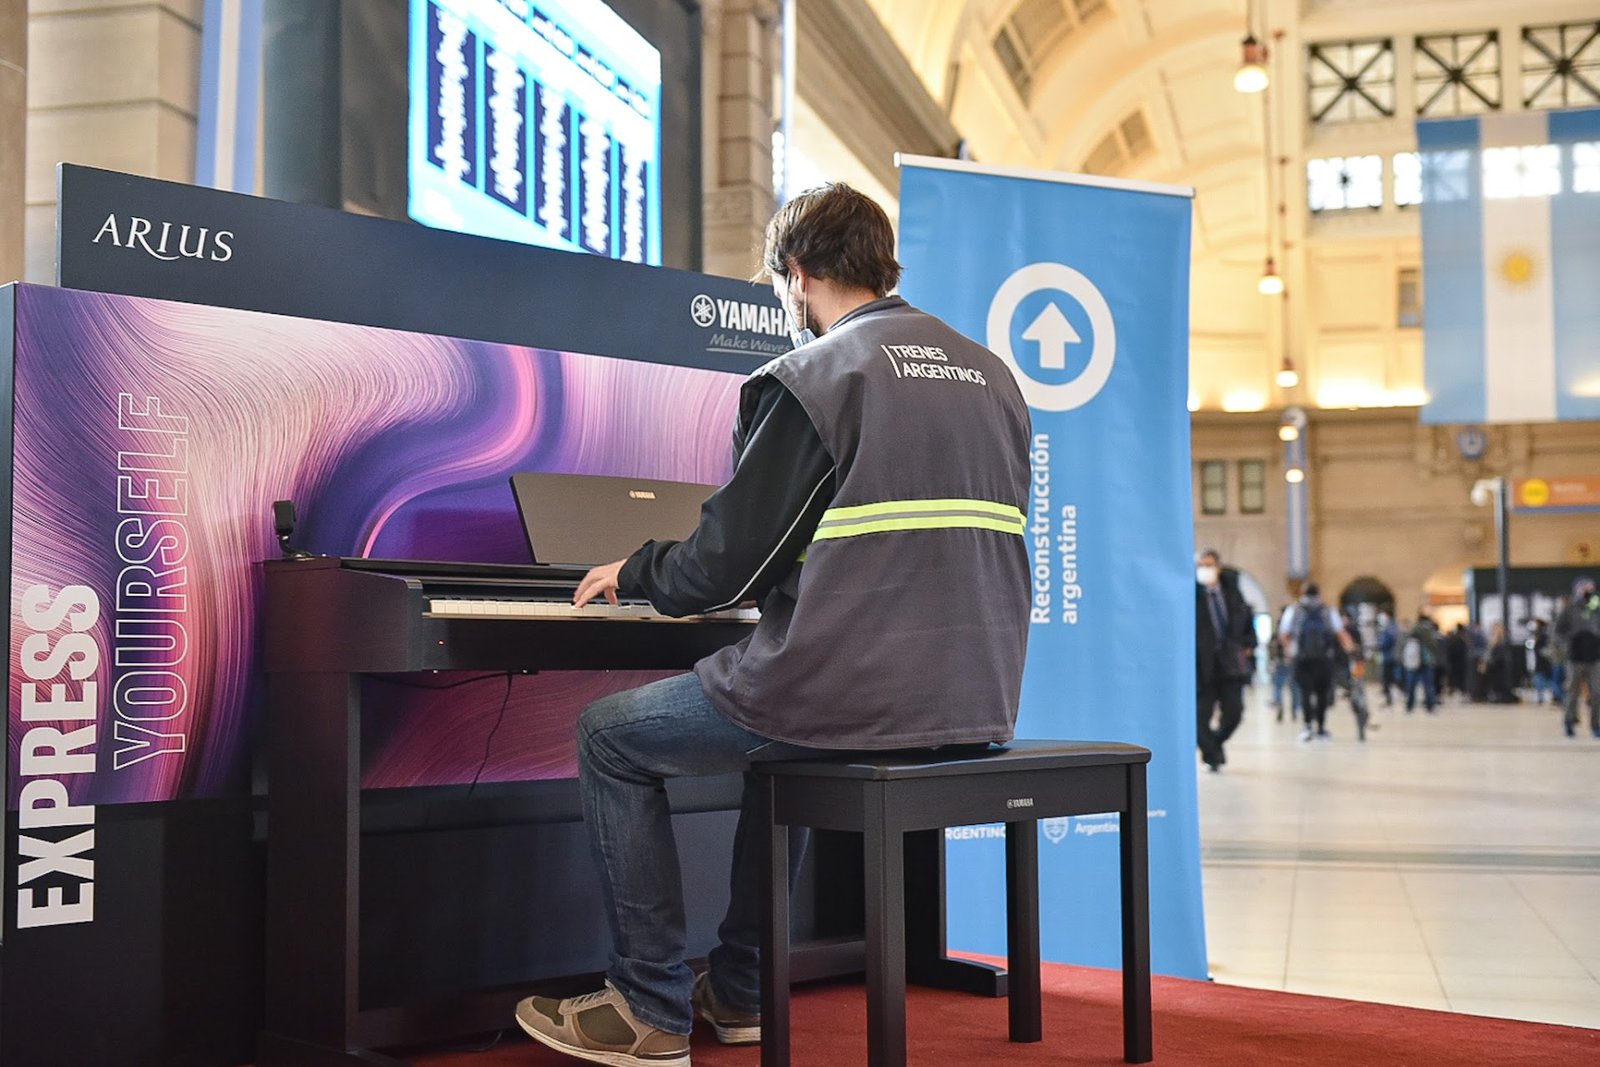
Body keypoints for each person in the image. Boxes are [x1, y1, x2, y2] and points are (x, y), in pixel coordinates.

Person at [511, 183, 1033, 1067]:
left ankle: (648, 1006)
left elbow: (727, 565)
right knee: (777, 749)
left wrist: (636, 572)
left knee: (610, 735)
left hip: (848, 687)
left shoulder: (820, 374)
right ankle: (745, 990)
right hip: (973, 691)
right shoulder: (990, 374)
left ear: (796, 273)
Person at [1195, 549, 1257, 772]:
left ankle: (1216, 744)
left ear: (1218, 567)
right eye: (1201, 565)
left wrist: (1249, 643)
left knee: (1234, 712)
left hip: (1230, 664)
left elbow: (1245, 619)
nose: (1205, 570)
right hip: (1203, 666)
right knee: (1199, 718)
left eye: (1209, 565)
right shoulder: (1192, 595)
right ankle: (1212, 754)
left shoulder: (1232, 591)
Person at [1279, 584, 1354, 741]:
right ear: (1319, 593)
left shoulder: (1294, 610)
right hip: (1324, 659)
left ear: (1303, 593)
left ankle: (1307, 727)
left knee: (1305, 694)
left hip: (1302, 659)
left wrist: (1291, 650)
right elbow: (1340, 633)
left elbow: (1284, 633)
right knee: (1322, 694)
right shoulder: (1328, 610)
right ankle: (1321, 728)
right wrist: (1352, 648)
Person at [1553, 576, 1600, 738]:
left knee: (1596, 692)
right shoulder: (1569, 610)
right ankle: (1569, 722)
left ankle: (1596, 725)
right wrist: (1568, 645)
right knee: (1572, 692)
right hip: (1575, 658)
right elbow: (1558, 632)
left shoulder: (1596, 608)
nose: (1588, 591)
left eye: (1590, 588)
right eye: (1584, 588)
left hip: (1594, 658)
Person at [1400, 614, 1440, 713]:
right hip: (1426, 661)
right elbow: (1434, 646)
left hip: (1413, 661)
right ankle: (1430, 705)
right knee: (1428, 685)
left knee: (1411, 685)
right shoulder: (1428, 632)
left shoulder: (1411, 631)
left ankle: (1410, 705)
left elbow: (1402, 644)